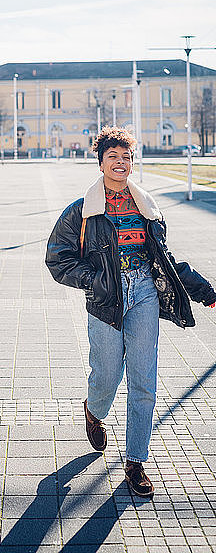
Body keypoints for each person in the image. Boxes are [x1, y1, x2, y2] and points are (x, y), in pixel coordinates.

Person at [45, 126, 216, 497]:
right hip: (105, 300)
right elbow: (58, 260)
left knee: (144, 380)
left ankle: (135, 461)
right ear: (100, 161)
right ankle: (94, 409)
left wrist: (204, 291)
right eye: (113, 157)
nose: (120, 163)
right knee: (107, 376)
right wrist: (94, 281)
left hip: (144, 295)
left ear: (132, 163)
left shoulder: (146, 207)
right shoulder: (81, 211)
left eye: (126, 157)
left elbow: (165, 260)